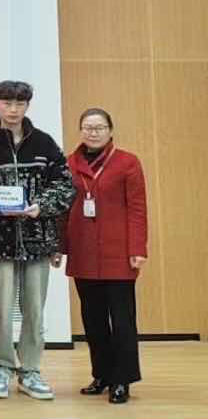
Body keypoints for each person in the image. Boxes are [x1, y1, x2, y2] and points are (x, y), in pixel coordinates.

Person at [0, 80, 75, 401]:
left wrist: (40, 206)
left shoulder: (44, 143)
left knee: (34, 310)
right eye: (7, 103)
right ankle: (1, 367)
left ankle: (30, 370)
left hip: (38, 240)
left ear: (27, 106)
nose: (13, 110)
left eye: (19, 104)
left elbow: (65, 185)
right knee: (0, 310)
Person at [62, 108, 148, 405]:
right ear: (80, 130)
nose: (93, 132)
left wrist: (138, 248)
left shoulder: (127, 162)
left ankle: (122, 379)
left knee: (122, 320)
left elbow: (137, 208)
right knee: (93, 319)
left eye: (99, 127)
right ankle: (102, 375)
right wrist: (60, 247)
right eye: (88, 127)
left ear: (110, 130)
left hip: (118, 253)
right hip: (83, 252)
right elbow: (63, 209)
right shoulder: (69, 164)